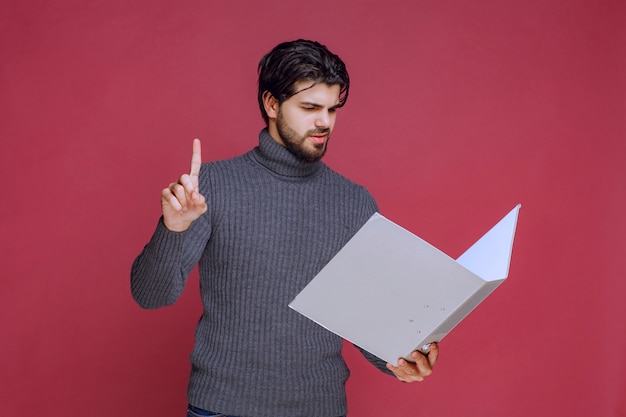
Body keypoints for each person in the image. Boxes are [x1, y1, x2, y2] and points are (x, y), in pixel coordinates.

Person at [131, 39, 438, 417]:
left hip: (319, 408)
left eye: (331, 109)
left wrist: (401, 359)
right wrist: (172, 228)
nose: (324, 121)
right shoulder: (213, 187)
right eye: (310, 108)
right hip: (223, 408)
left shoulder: (354, 202)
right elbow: (149, 294)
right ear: (271, 104)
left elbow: (364, 316)